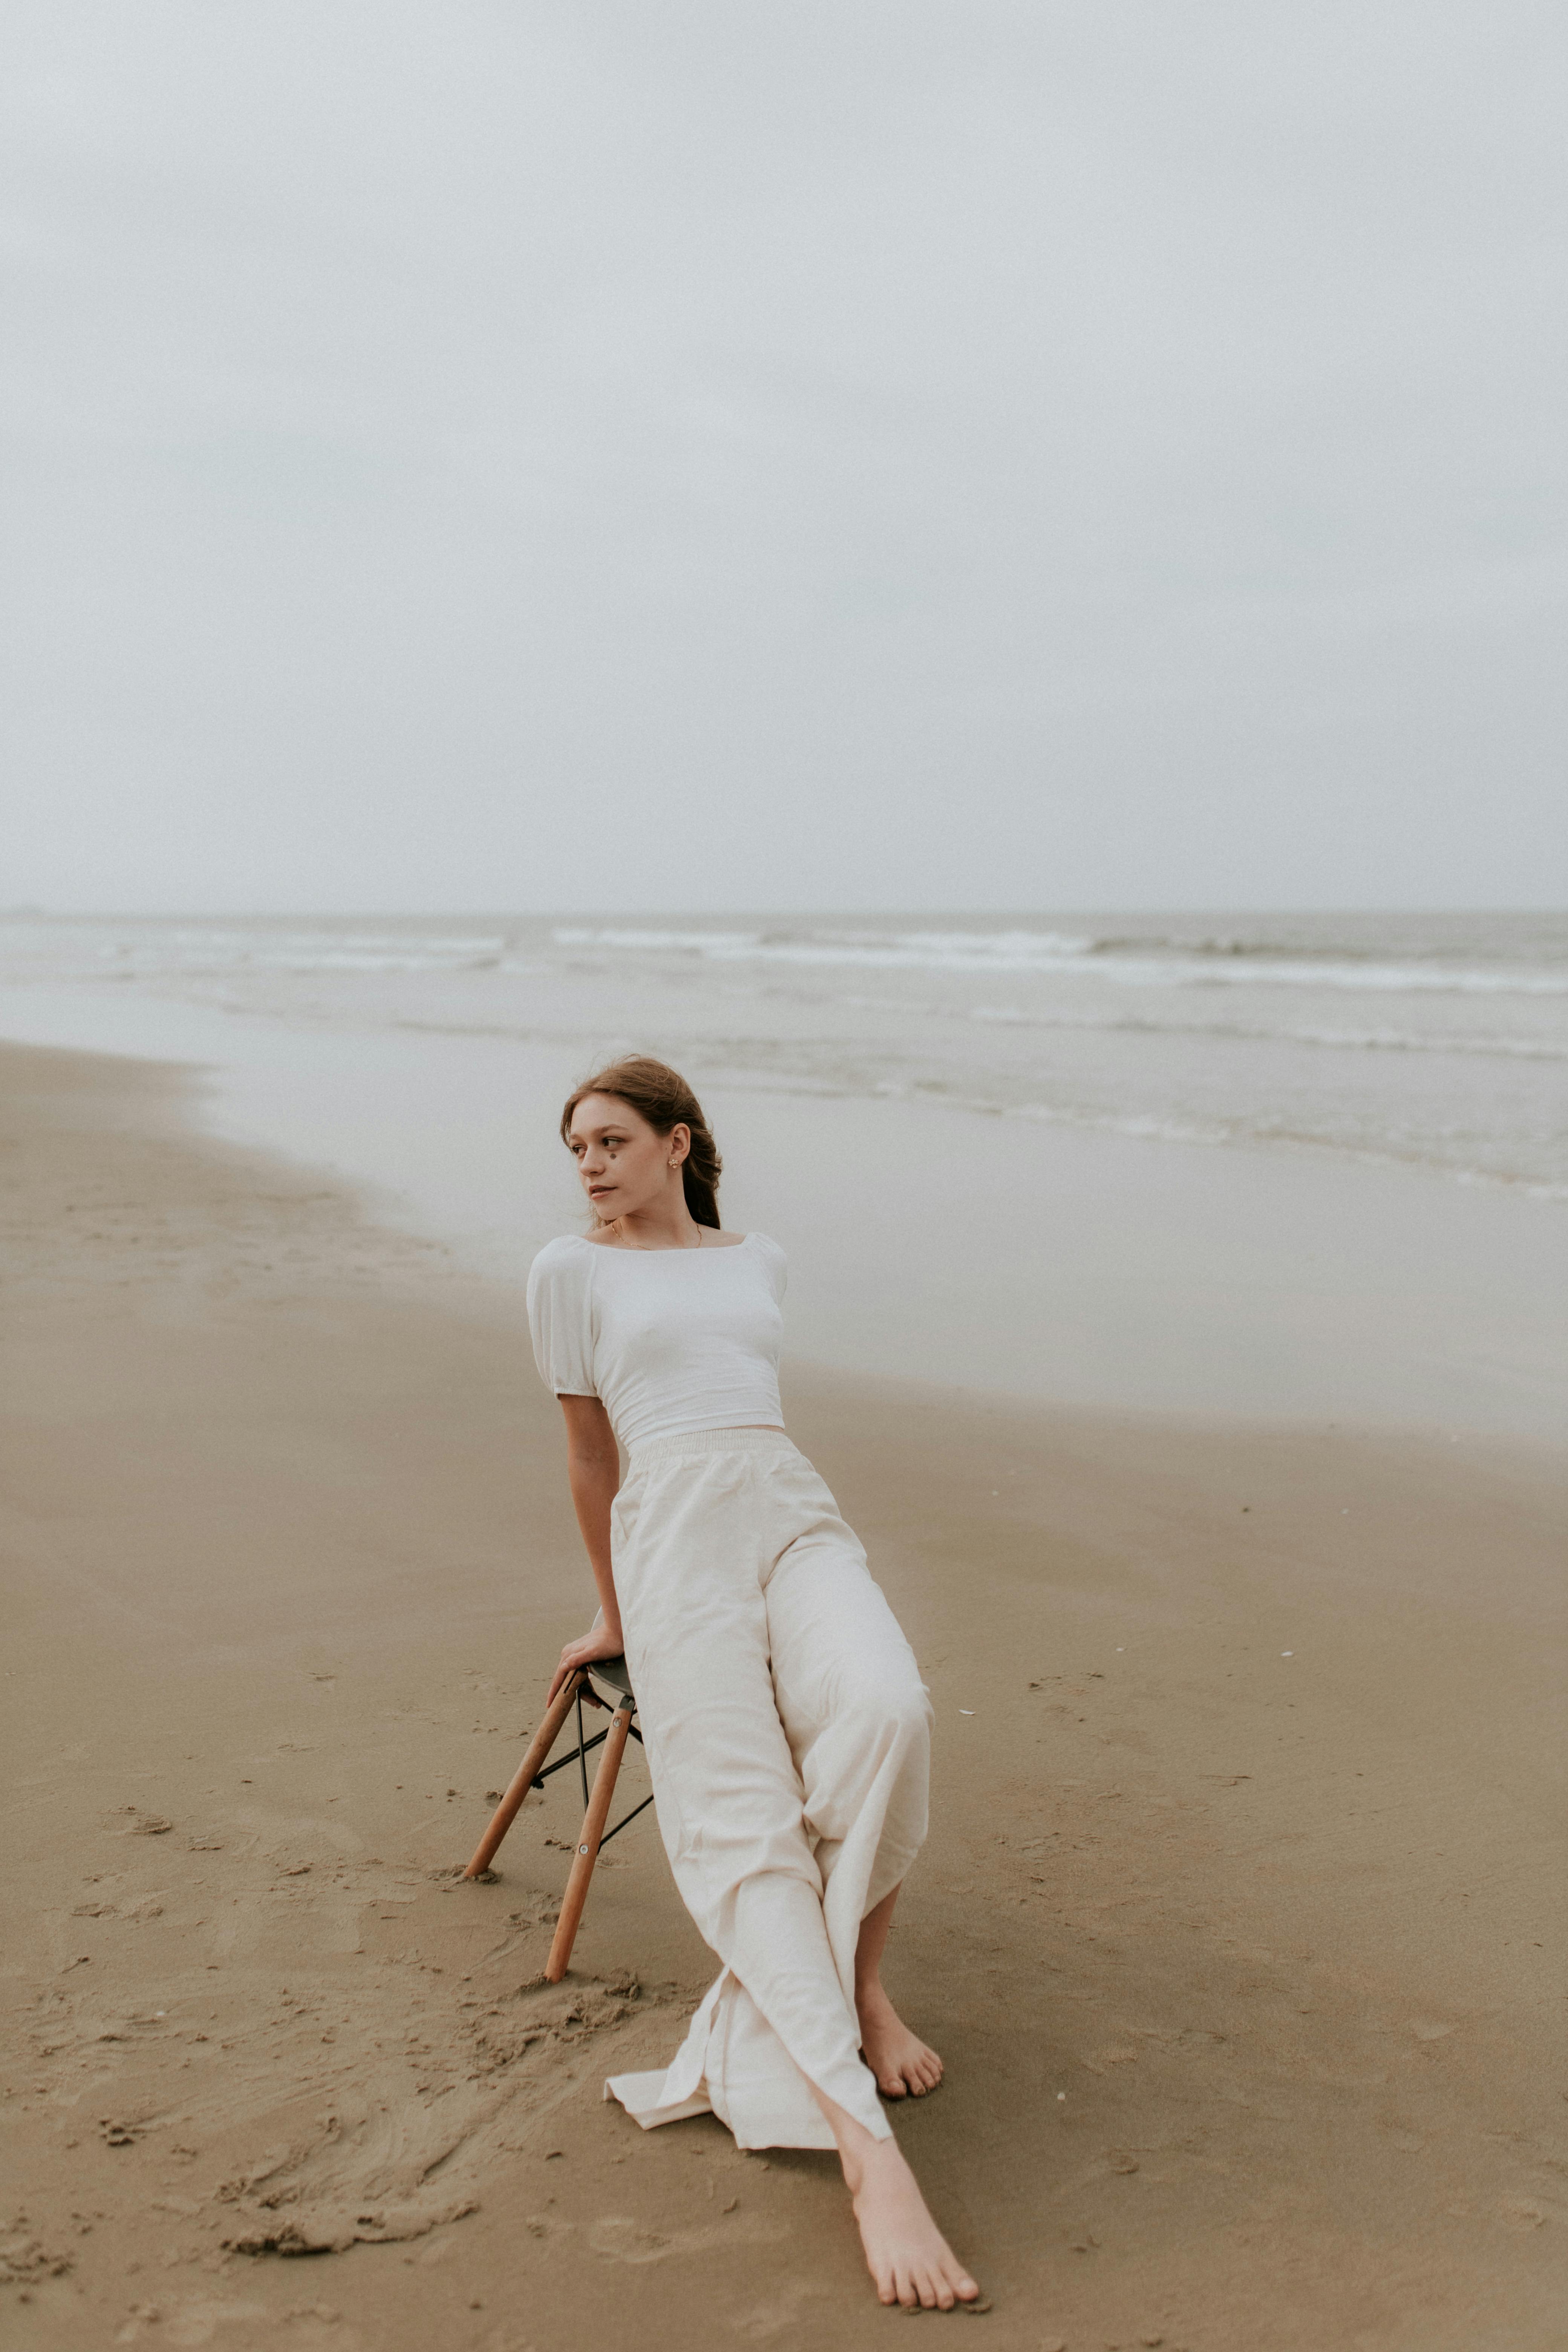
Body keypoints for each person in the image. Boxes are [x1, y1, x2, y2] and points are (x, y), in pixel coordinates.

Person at [526, 1056, 979, 2311]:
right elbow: (590, 1455)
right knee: (742, 1812)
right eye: (576, 1149)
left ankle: (861, 1987)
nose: (590, 1165)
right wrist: (616, 1612)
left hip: (787, 1503)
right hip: (671, 1534)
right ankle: (868, 2154)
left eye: (612, 1141)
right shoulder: (568, 1271)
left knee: (888, 1710)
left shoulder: (758, 1258)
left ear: (678, 1141)